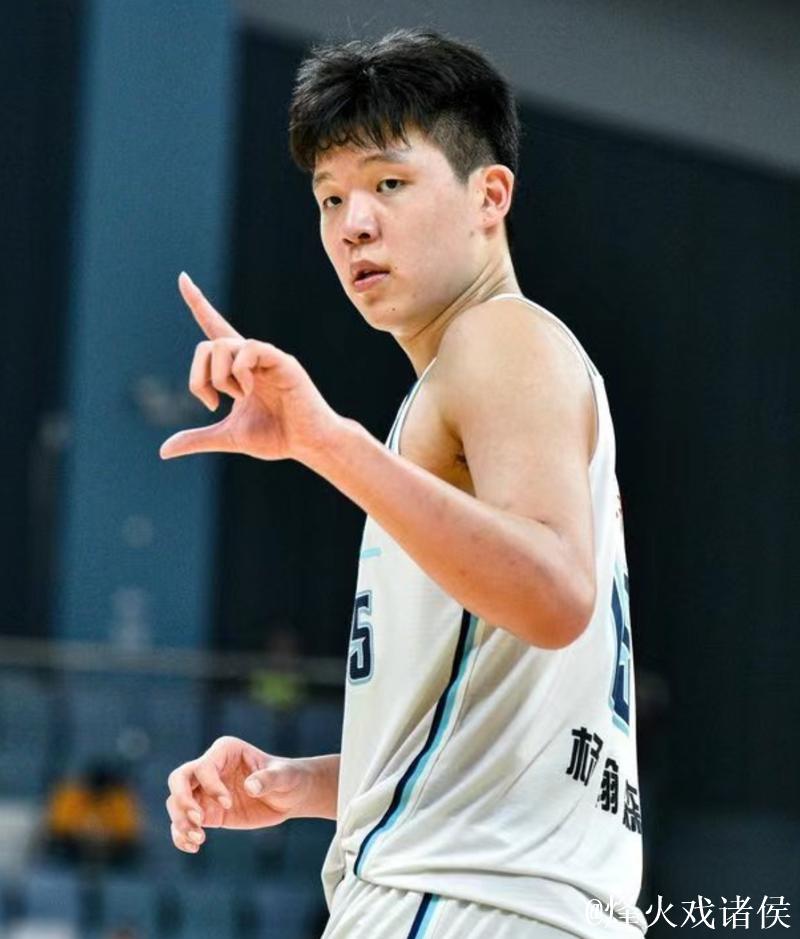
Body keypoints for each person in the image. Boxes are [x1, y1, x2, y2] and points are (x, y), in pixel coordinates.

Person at [162, 27, 646, 939]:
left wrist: (326, 442)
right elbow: (500, 734)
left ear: (489, 196)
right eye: (330, 196)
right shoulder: (482, 382)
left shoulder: (500, 337)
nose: (353, 223)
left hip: (462, 901)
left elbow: (554, 595)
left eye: (388, 183)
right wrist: (302, 783)